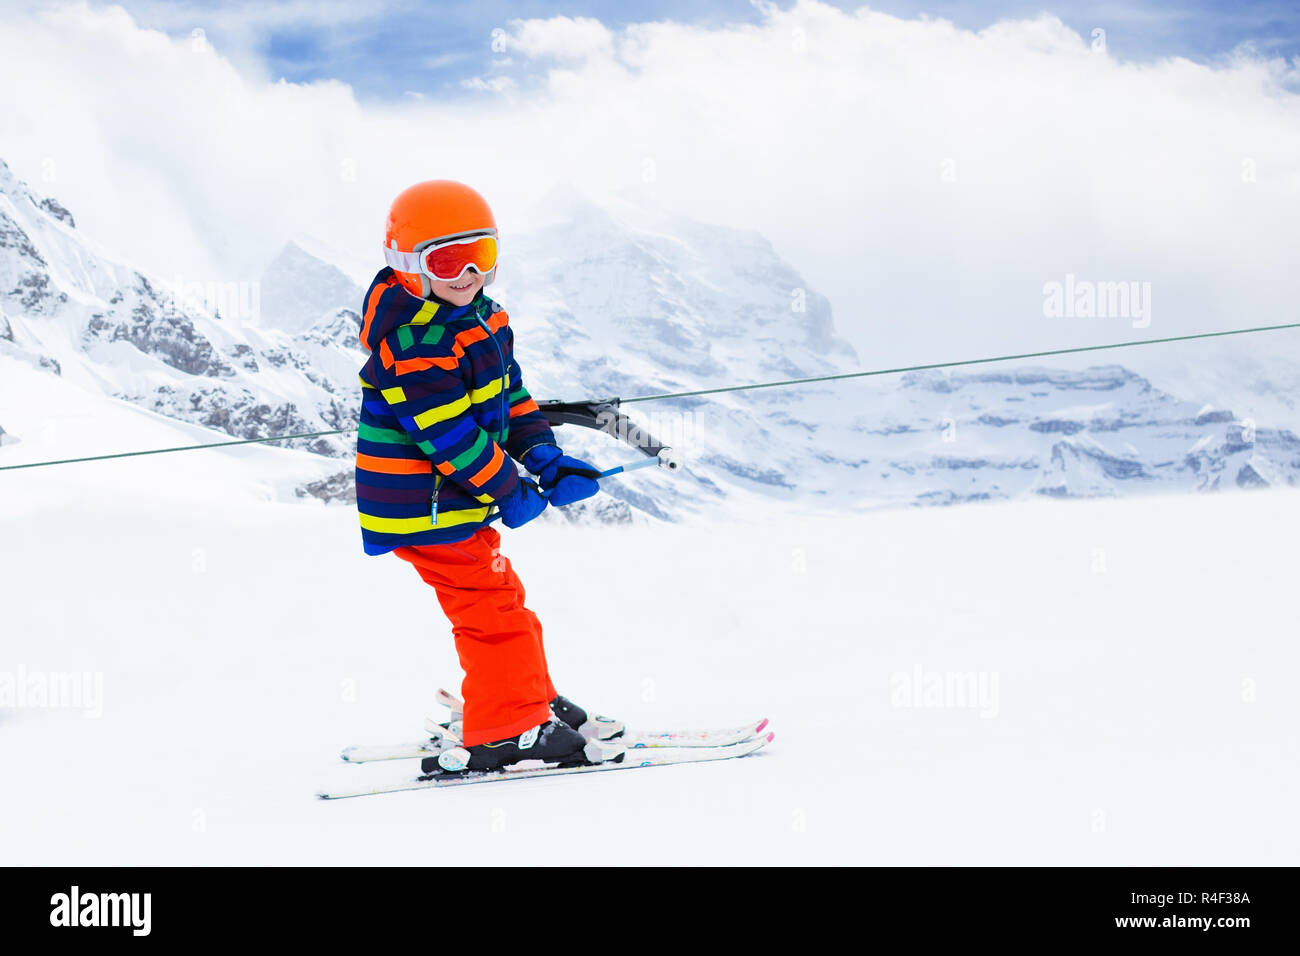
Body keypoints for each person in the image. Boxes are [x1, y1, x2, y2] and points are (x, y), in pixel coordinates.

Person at [354, 180, 621, 772]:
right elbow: (448, 435)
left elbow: (511, 396)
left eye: (483, 254)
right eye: (447, 259)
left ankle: (524, 697)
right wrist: (509, 487)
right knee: (490, 608)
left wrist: (545, 454)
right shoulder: (414, 343)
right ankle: (506, 728)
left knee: (503, 600)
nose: (469, 272)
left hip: (454, 498)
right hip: (422, 505)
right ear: (406, 264)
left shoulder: (478, 316)